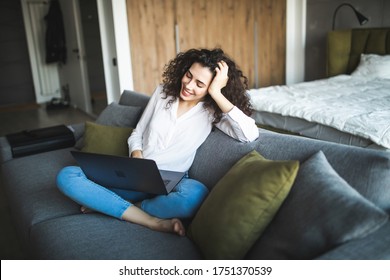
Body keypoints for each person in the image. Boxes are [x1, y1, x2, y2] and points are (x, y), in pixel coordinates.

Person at [56, 48, 259, 236]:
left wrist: (216, 93)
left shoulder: (213, 111)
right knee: (68, 175)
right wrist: (137, 156)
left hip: (171, 179)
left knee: (196, 195)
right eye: (189, 75)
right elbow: (137, 133)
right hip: (137, 172)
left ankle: (111, 204)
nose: (188, 85)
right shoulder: (163, 93)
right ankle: (150, 220)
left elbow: (249, 134)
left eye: (200, 84)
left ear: (212, 87)